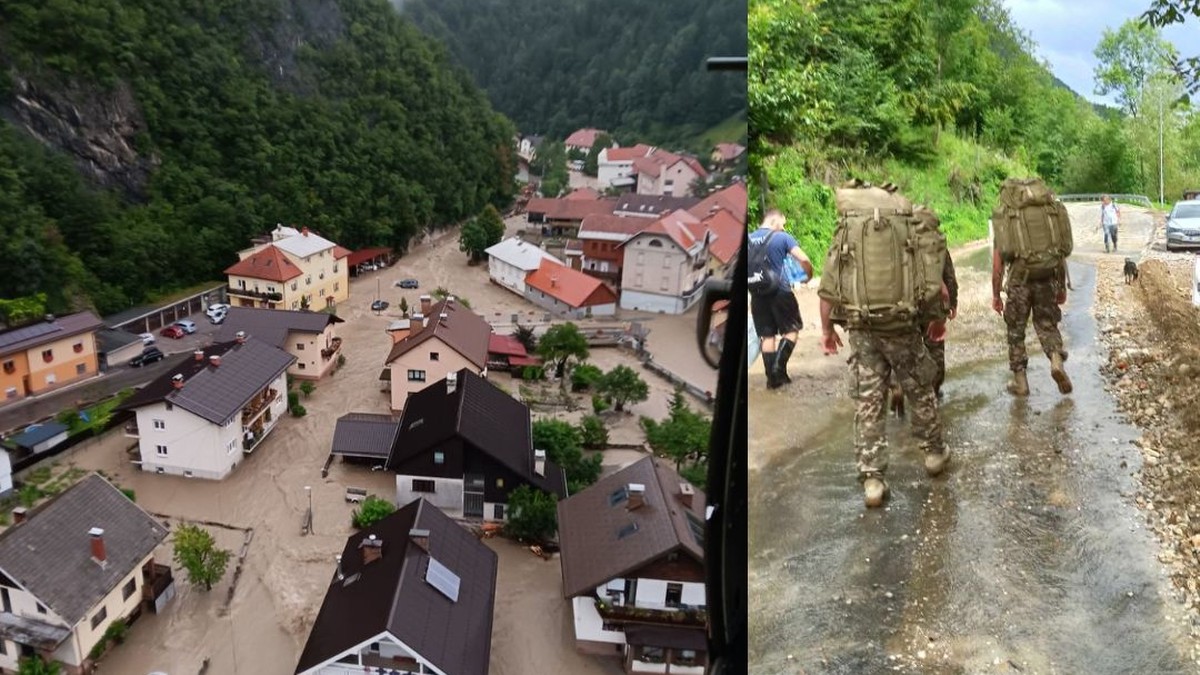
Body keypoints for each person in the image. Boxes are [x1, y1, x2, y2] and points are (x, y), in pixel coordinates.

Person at [818, 186, 950, 508]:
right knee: (921, 389)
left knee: (868, 402)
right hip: (902, 328)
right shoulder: (909, 230)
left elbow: (827, 290)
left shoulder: (849, 232)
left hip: (862, 331)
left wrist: (827, 330)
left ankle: (873, 480)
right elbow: (938, 289)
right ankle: (933, 454)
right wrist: (938, 319)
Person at [992, 245, 1072, 395]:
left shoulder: (1007, 221)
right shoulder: (1046, 220)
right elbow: (1059, 256)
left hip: (1018, 283)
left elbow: (997, 265)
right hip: (1046, 279)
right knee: (1048, 325)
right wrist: (1062, 287)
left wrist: (996, 295)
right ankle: (1056, 359)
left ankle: (1021, 384)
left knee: (1015, 333)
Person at [747, 209, 812, 389]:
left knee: (767, 336)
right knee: (792, 329)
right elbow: (804, 259)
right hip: (780, 291)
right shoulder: (781, 238)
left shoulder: (748, 239)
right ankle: (778, 368)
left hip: (757, 294)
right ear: (775, 220)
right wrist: (808, 275)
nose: (783, 228)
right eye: (782, 224)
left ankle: (772, 380)